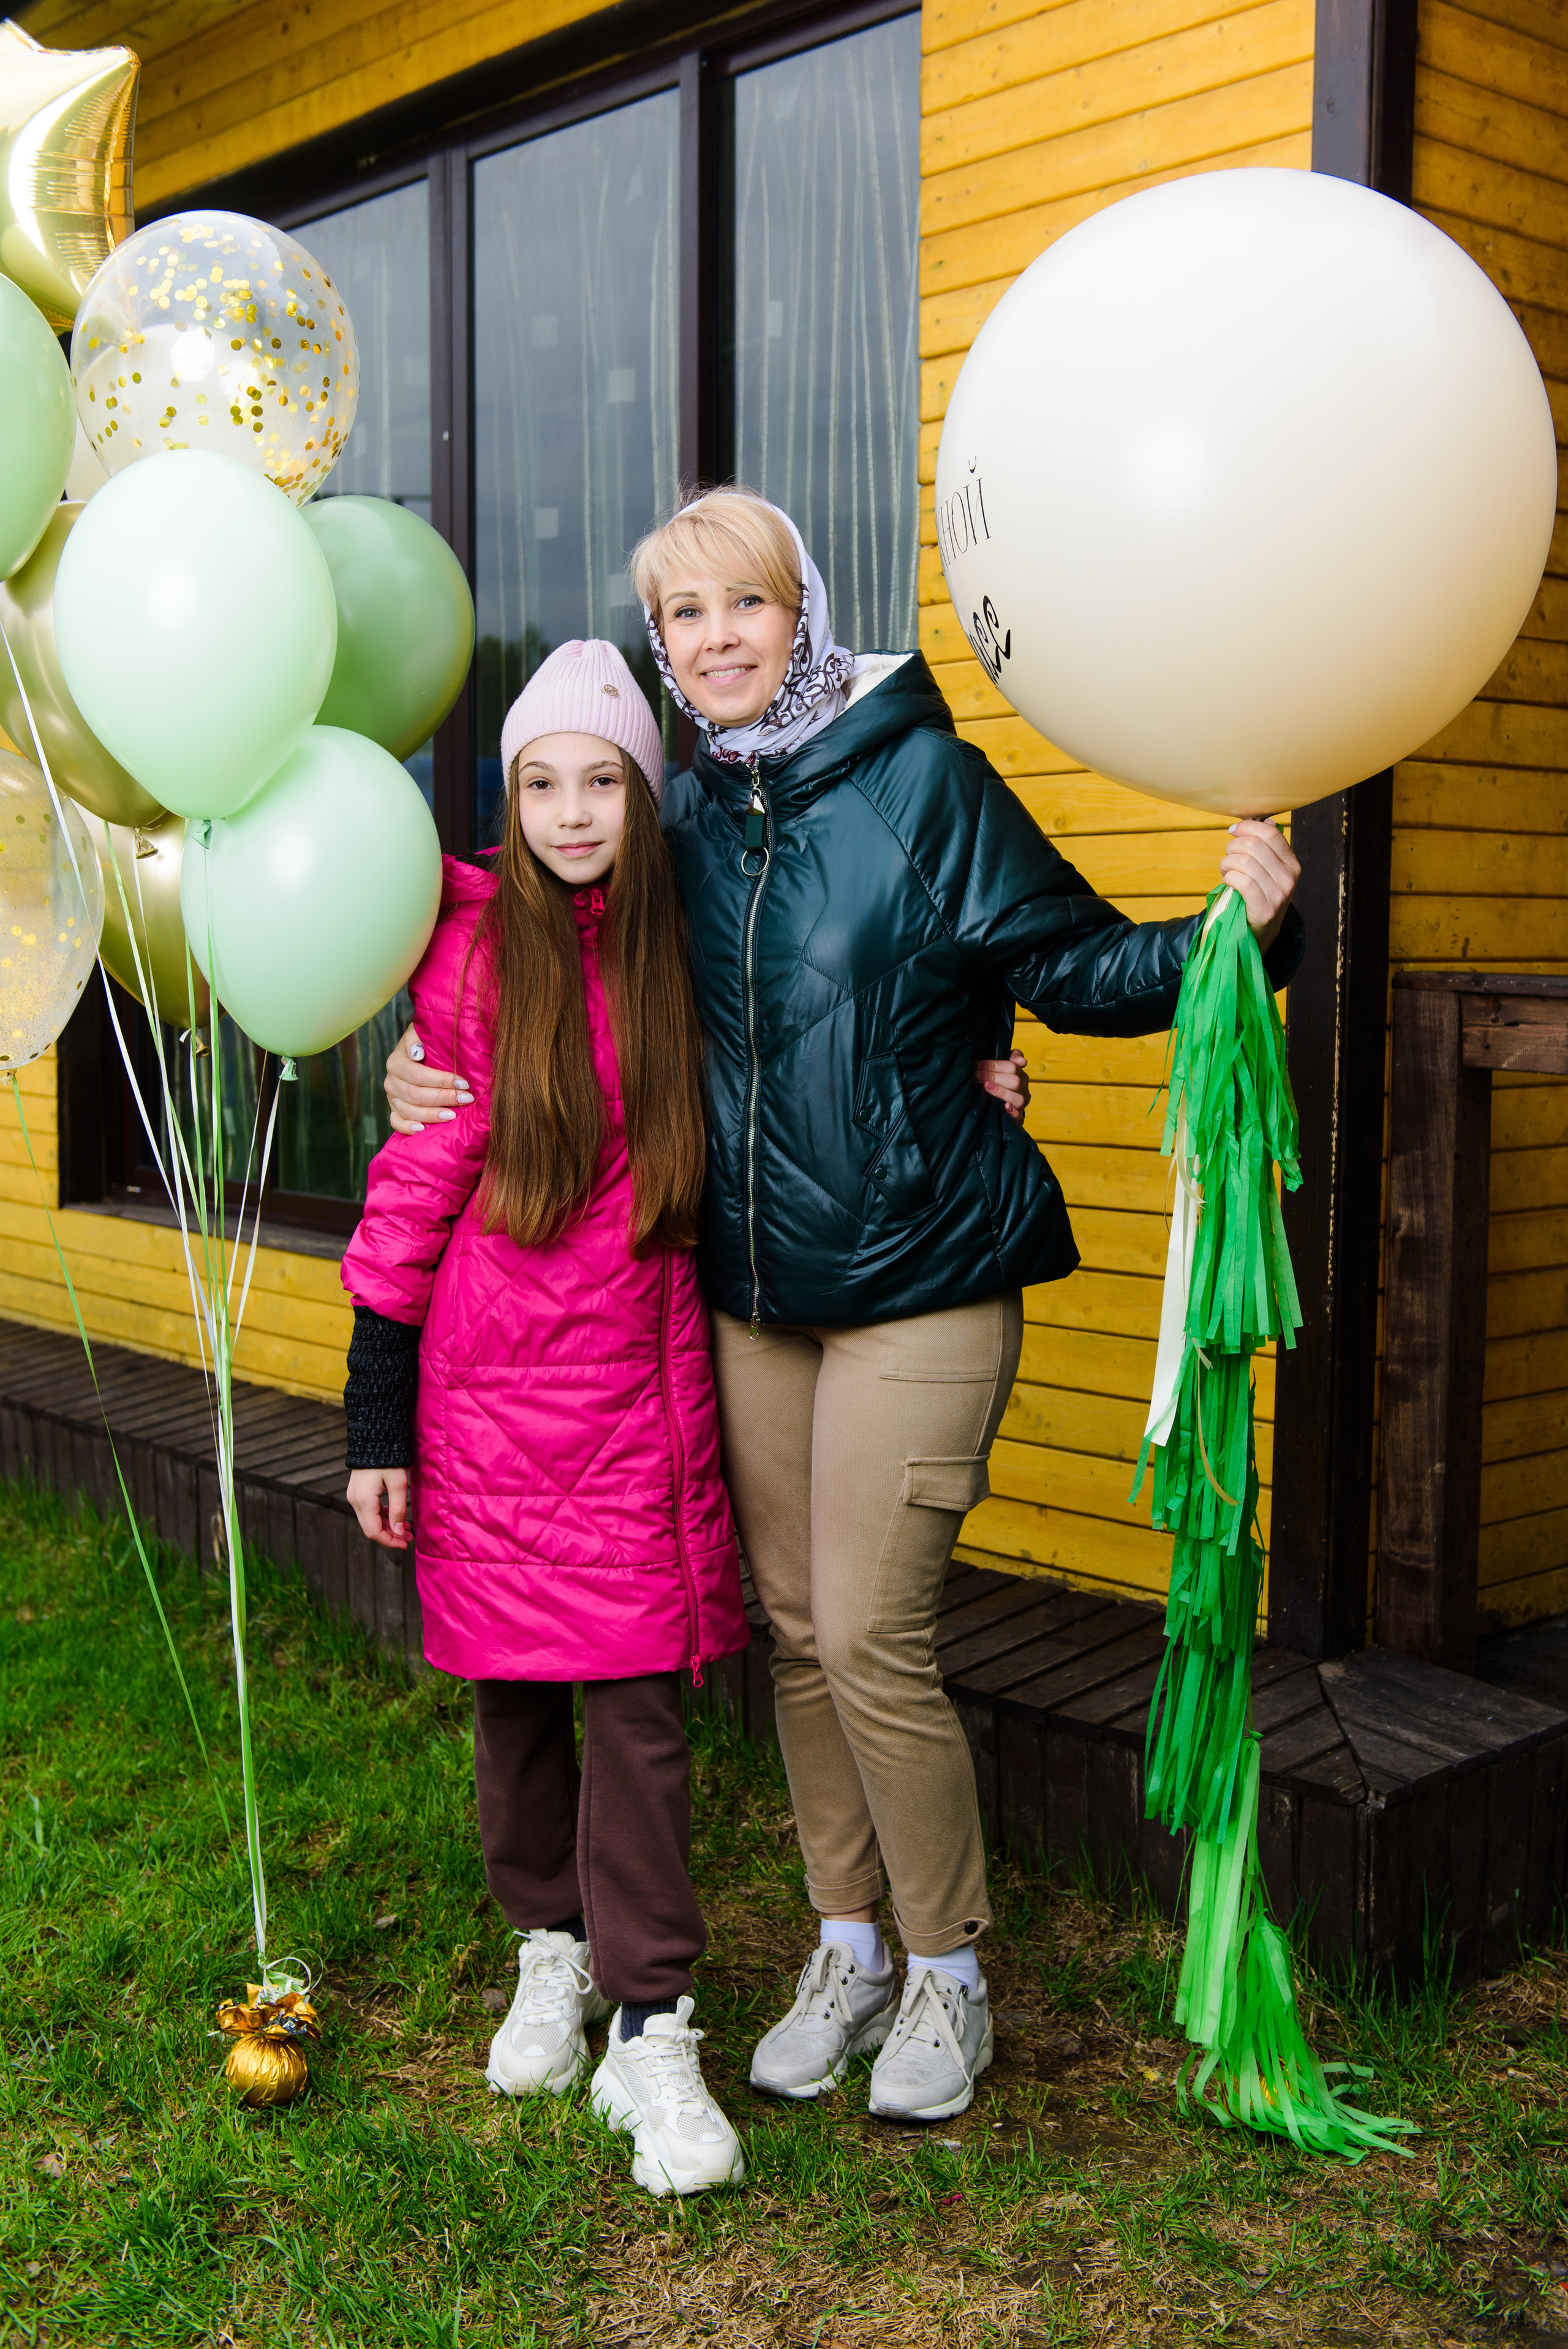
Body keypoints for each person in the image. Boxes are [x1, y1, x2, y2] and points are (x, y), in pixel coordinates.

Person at [385, 489, 1303, 2128]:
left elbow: (1077, 967)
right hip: (750, 1287)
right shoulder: (679, 822)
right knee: (800, 1641)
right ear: (661, 650)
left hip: (922, 1274)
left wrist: (1240, 931)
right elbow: (560, 949)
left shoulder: (924, 782)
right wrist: (421, 1057)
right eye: (683, 617)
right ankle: (849, 1940)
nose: (716, 639)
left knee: (875, 1633)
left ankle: (951, 1968)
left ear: (803, 610)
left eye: (745, 604)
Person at [342, 639, 751, 2199]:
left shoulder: (689, 938)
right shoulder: (463, 958)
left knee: (640, 1718)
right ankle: (549, 1951)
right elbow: (410, 1194)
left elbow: (828, 1010)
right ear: (507, 800)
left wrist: (968, 1061)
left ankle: (655, 2020)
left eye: (603, 779)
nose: (574, 809)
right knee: (512, 1699)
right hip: (485, 1396)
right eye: (541, 781)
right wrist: (378, 1415)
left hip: (638, 1397)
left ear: (646, 798)